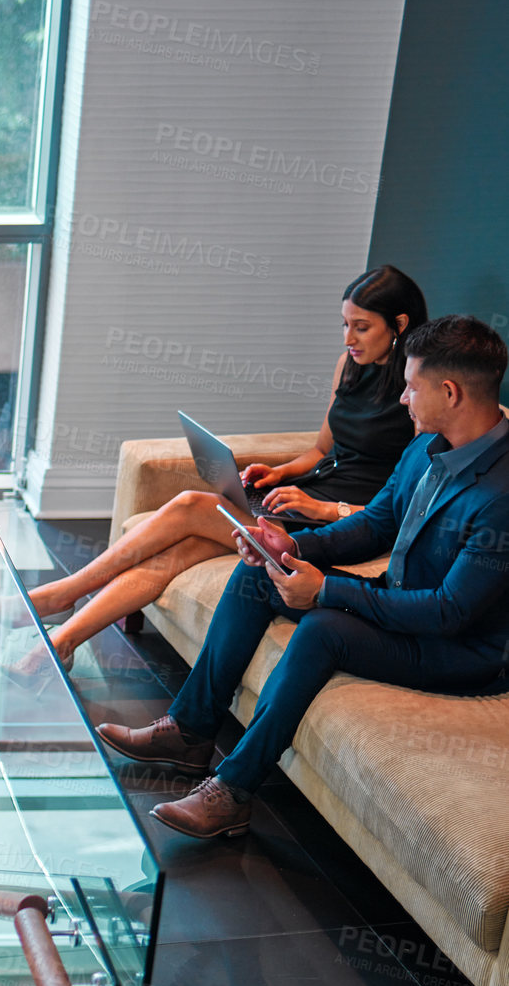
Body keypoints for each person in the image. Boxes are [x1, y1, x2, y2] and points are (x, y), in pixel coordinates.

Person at [96, 315, 509, 838]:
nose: (403, 399)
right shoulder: (428, 445)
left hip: (461, 650)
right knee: (257, 577)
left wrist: (327, 591)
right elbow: (377, 523)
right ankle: (190, 729)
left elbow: (449, 612)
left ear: (449, 392)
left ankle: (233, 791)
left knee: (323, 629)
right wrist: (289, 546)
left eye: (410, 387)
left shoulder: (501, 495)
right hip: (404, 600)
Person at [0, 266, 426, 676]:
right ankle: (62, 644)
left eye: (361, 327)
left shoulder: (419, 399)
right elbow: (320, 450)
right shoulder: (349, 365)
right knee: (175, 556)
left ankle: (60, 595)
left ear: (400, 324)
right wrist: (278, 473)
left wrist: (324, 508)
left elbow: (403, 509)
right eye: (344, 324)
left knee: (189, 506)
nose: (348, 337)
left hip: (338, 528)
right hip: (301, 501)